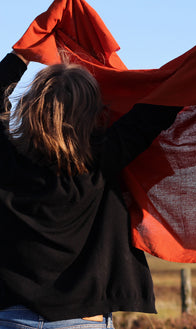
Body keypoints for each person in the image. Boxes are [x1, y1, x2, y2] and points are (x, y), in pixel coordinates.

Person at [0, 49, 182, 328]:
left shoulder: (7, 160)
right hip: (83, 319)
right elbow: (166, 101)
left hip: (12, 316)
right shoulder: (104, 158)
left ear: (30, 106)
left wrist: (21, 56)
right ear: (93, 113)